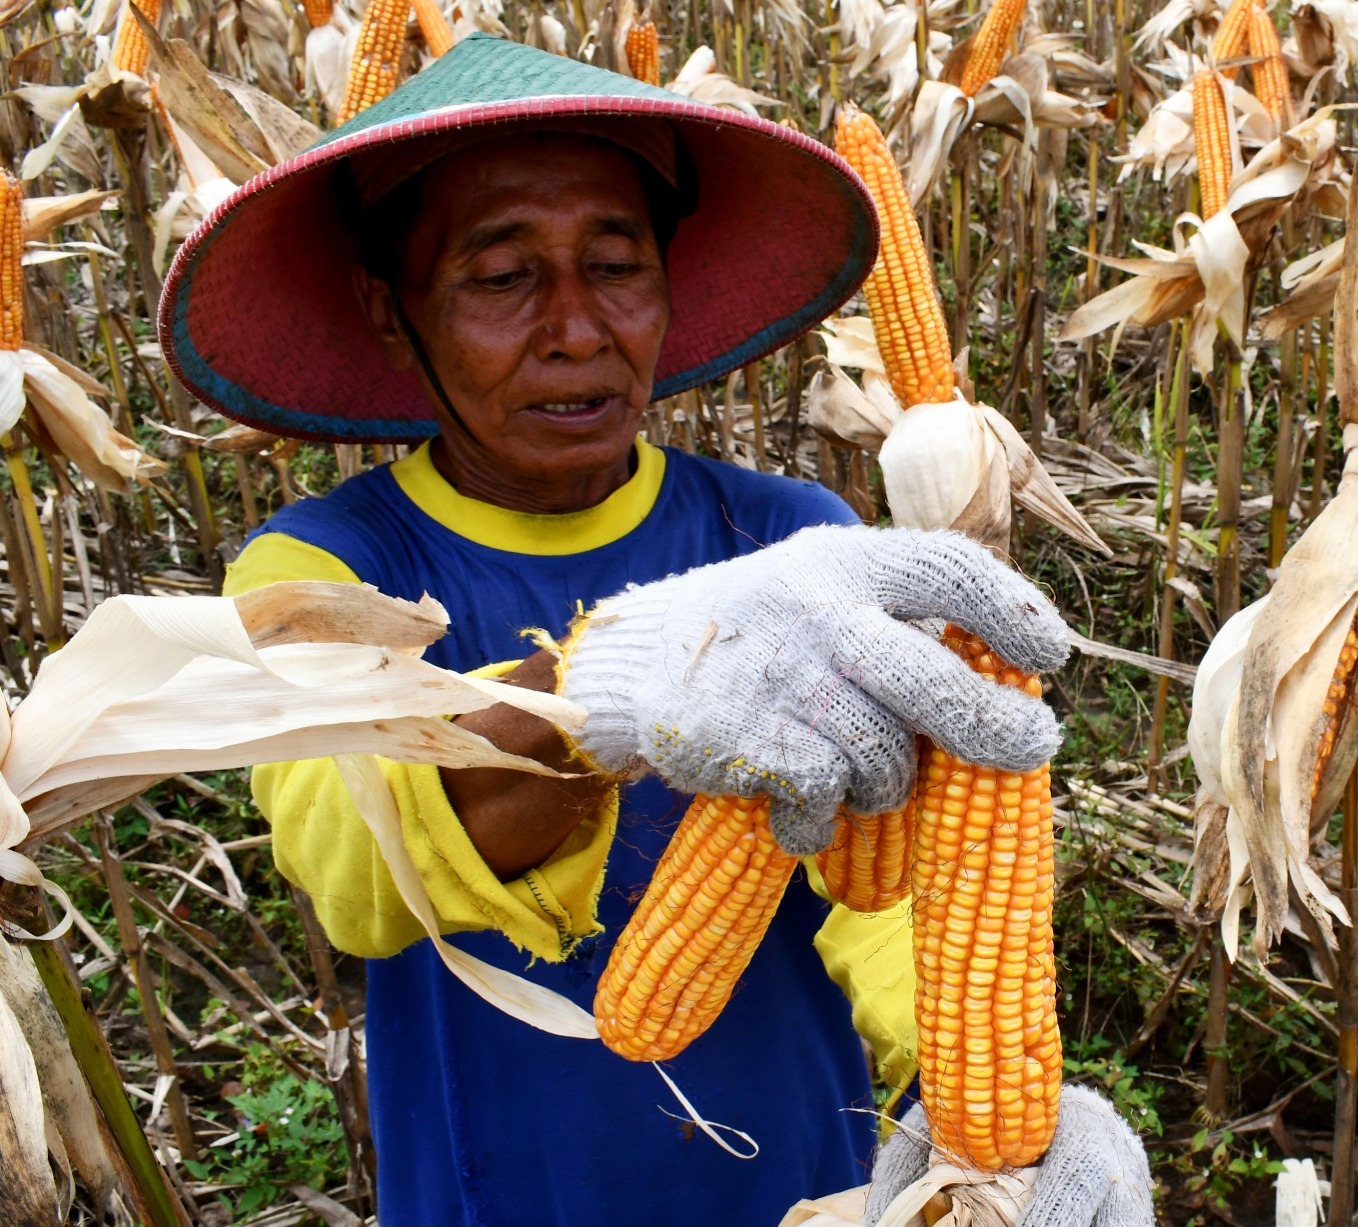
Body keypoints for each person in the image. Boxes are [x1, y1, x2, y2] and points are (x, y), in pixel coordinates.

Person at [160, 34, 1149, 1227]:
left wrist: (997, 1119)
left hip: (800, 1179)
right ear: (389, 308)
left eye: (617, 266)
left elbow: (887, 890)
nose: (578, 329)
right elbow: (353, 865)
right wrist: (613, 678)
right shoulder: (321, 570)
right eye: (501, 277)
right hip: (499, 1189)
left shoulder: (790, 536)